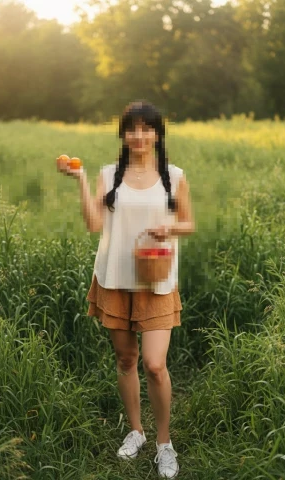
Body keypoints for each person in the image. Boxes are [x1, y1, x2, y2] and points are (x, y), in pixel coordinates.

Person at [57, 100, 195, 479]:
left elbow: (188, 222)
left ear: (156, 134)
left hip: (156, 281)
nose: (139, 136)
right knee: (125, 360)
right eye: (131, 129)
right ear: (123, 134)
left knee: (154, 364)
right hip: (115, 278)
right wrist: (82, 180)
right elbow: (92, 223)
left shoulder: (173, 175)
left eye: (146, 128)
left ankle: (164, 442)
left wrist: (169, 229)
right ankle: (136, 430)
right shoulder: (108, 175)